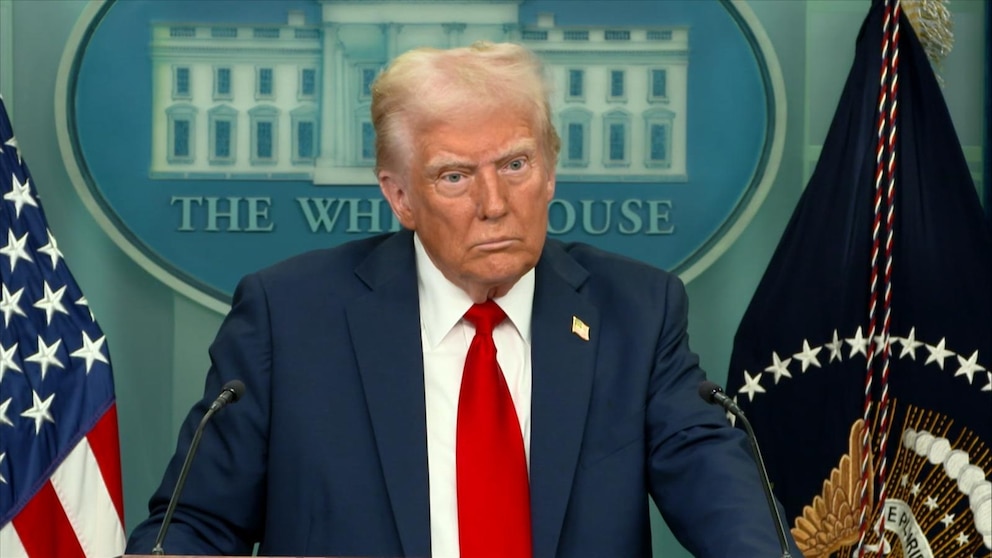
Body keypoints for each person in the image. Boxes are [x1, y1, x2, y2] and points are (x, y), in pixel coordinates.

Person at [126, 41, 803, 557]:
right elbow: (195, 521)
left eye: (515, 164)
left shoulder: (636, 311)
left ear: (551, 169)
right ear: (399, 196)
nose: (494, 204)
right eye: (455, 176)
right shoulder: (291, 316)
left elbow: (717, 486)